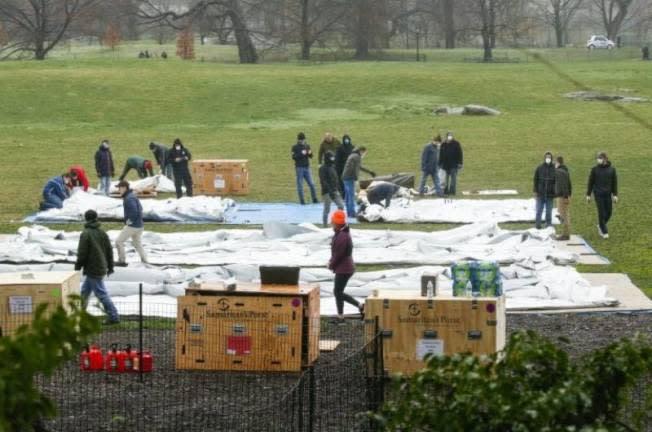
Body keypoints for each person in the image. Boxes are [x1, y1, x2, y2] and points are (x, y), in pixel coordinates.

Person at [75, 209, 119, 324]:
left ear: (86, 219)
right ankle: (80, 315)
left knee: (101, 294)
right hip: (101, 267)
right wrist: (110, 267)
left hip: (93, 268)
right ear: (96, 218)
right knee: (85, 291)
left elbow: (82, 252)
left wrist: (78, 265)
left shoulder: (86, 234)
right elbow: (110, 251)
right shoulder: (102, 233)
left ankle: (114, 316)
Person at [328, 209, 363, 321]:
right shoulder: (342, 233)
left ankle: (359, 305)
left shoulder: (342, 236)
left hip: (344, 269)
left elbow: (339, 254)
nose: (331, 224)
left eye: (332, 222)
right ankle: (341, 315)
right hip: (344, 267)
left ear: (337, 224)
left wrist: (331, 264)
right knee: (338, 291)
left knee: (337, 292)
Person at [586, 151, 618, 239]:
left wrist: (615, 195)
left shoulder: (612, 169)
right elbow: (590, 182)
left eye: (600, 158)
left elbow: (614, 183)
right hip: (598, 194)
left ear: (605, 159)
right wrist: (588, 194)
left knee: (609, 212)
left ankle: (600, 225)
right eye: (598, 158)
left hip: (608, 194)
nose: (598, 160)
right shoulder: (594, 169)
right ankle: (604, 231)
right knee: (601, 212)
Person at [115, 181, 148, 265]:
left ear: (124, 188)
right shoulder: (132, 196)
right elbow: (141, 208)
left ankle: (121, 261)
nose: (119, 190)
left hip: (132, 226)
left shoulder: (129, 198)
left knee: (119, 241)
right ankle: (145, 261)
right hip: (139, 225)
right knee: (137, 244)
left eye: (119, 188)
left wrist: (129, 221)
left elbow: (135, 211)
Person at [342, 146, 375, 217]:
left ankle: (349, 212)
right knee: (351, 196)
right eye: (364, 153)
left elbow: (359, 167)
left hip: (345, 177)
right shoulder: (357, 157)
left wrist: (369, 171)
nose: (364, 155)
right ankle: (352, 213)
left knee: (348, 196)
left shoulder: (353, 155)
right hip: (350, 178)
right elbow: (352, 168)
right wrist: (355, 178)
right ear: (361, 151)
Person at [319, 151, 344, 226]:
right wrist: (330, 192)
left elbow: (336, 179)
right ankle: (325, 225)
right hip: (327, 192)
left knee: (341, 206)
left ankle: (335, 222)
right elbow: (323, 181)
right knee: (327, 209)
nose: (333, 159)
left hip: (335, 190)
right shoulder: (322, 168)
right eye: (331, 157)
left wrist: (339, 189)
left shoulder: (333, 167)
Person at [292, 132, 318, 204]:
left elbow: (311, 156)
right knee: (300, 185)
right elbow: (293, 157)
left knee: (312, 184)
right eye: (301, 140)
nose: (303, 141)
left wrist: (310, 153)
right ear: (299, 140)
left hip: (307, 167)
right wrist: (301, 153)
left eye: (304, 140)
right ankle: (302, 200)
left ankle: (314, 199)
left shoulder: (307, 146)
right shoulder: (295, 147)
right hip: (299, 168)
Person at [533, 151, 556, 229]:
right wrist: (535, 191)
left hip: (550, 195)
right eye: (547, 157)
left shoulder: (554, 168)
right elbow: (535, 180)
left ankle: (548, 226)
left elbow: (556, 181)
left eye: (549, 157)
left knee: (549, 211)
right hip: (540, 194)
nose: (548, 159)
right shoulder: (539, 168)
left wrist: (555, 191)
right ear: (544, 158)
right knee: (539, 210)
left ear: (551, 158)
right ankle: (537, 226)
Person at [554, 156, 572, 240]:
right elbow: (569, 185)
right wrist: (568, 195)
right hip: (565, 196)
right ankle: (566, 233)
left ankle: (565, 234)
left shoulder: (559, 172)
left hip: (562, 196)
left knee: (563, 215)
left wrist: (565, 197)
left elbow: (564, 185)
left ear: (558, 162)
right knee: (565, 214)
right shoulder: (565, 171)